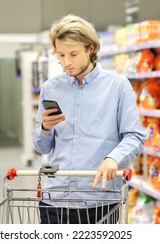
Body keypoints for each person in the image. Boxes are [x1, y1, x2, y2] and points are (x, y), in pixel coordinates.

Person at [33, 14, 145, 224]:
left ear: (91, 48)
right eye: (61, 55)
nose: (66, 62)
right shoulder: (51, 88)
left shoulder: (118, 86)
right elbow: (42, 147)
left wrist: (113, 159)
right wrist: (45, 128)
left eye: (73, 54)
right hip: (55, 199)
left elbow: (135, 136)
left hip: (99, 200)